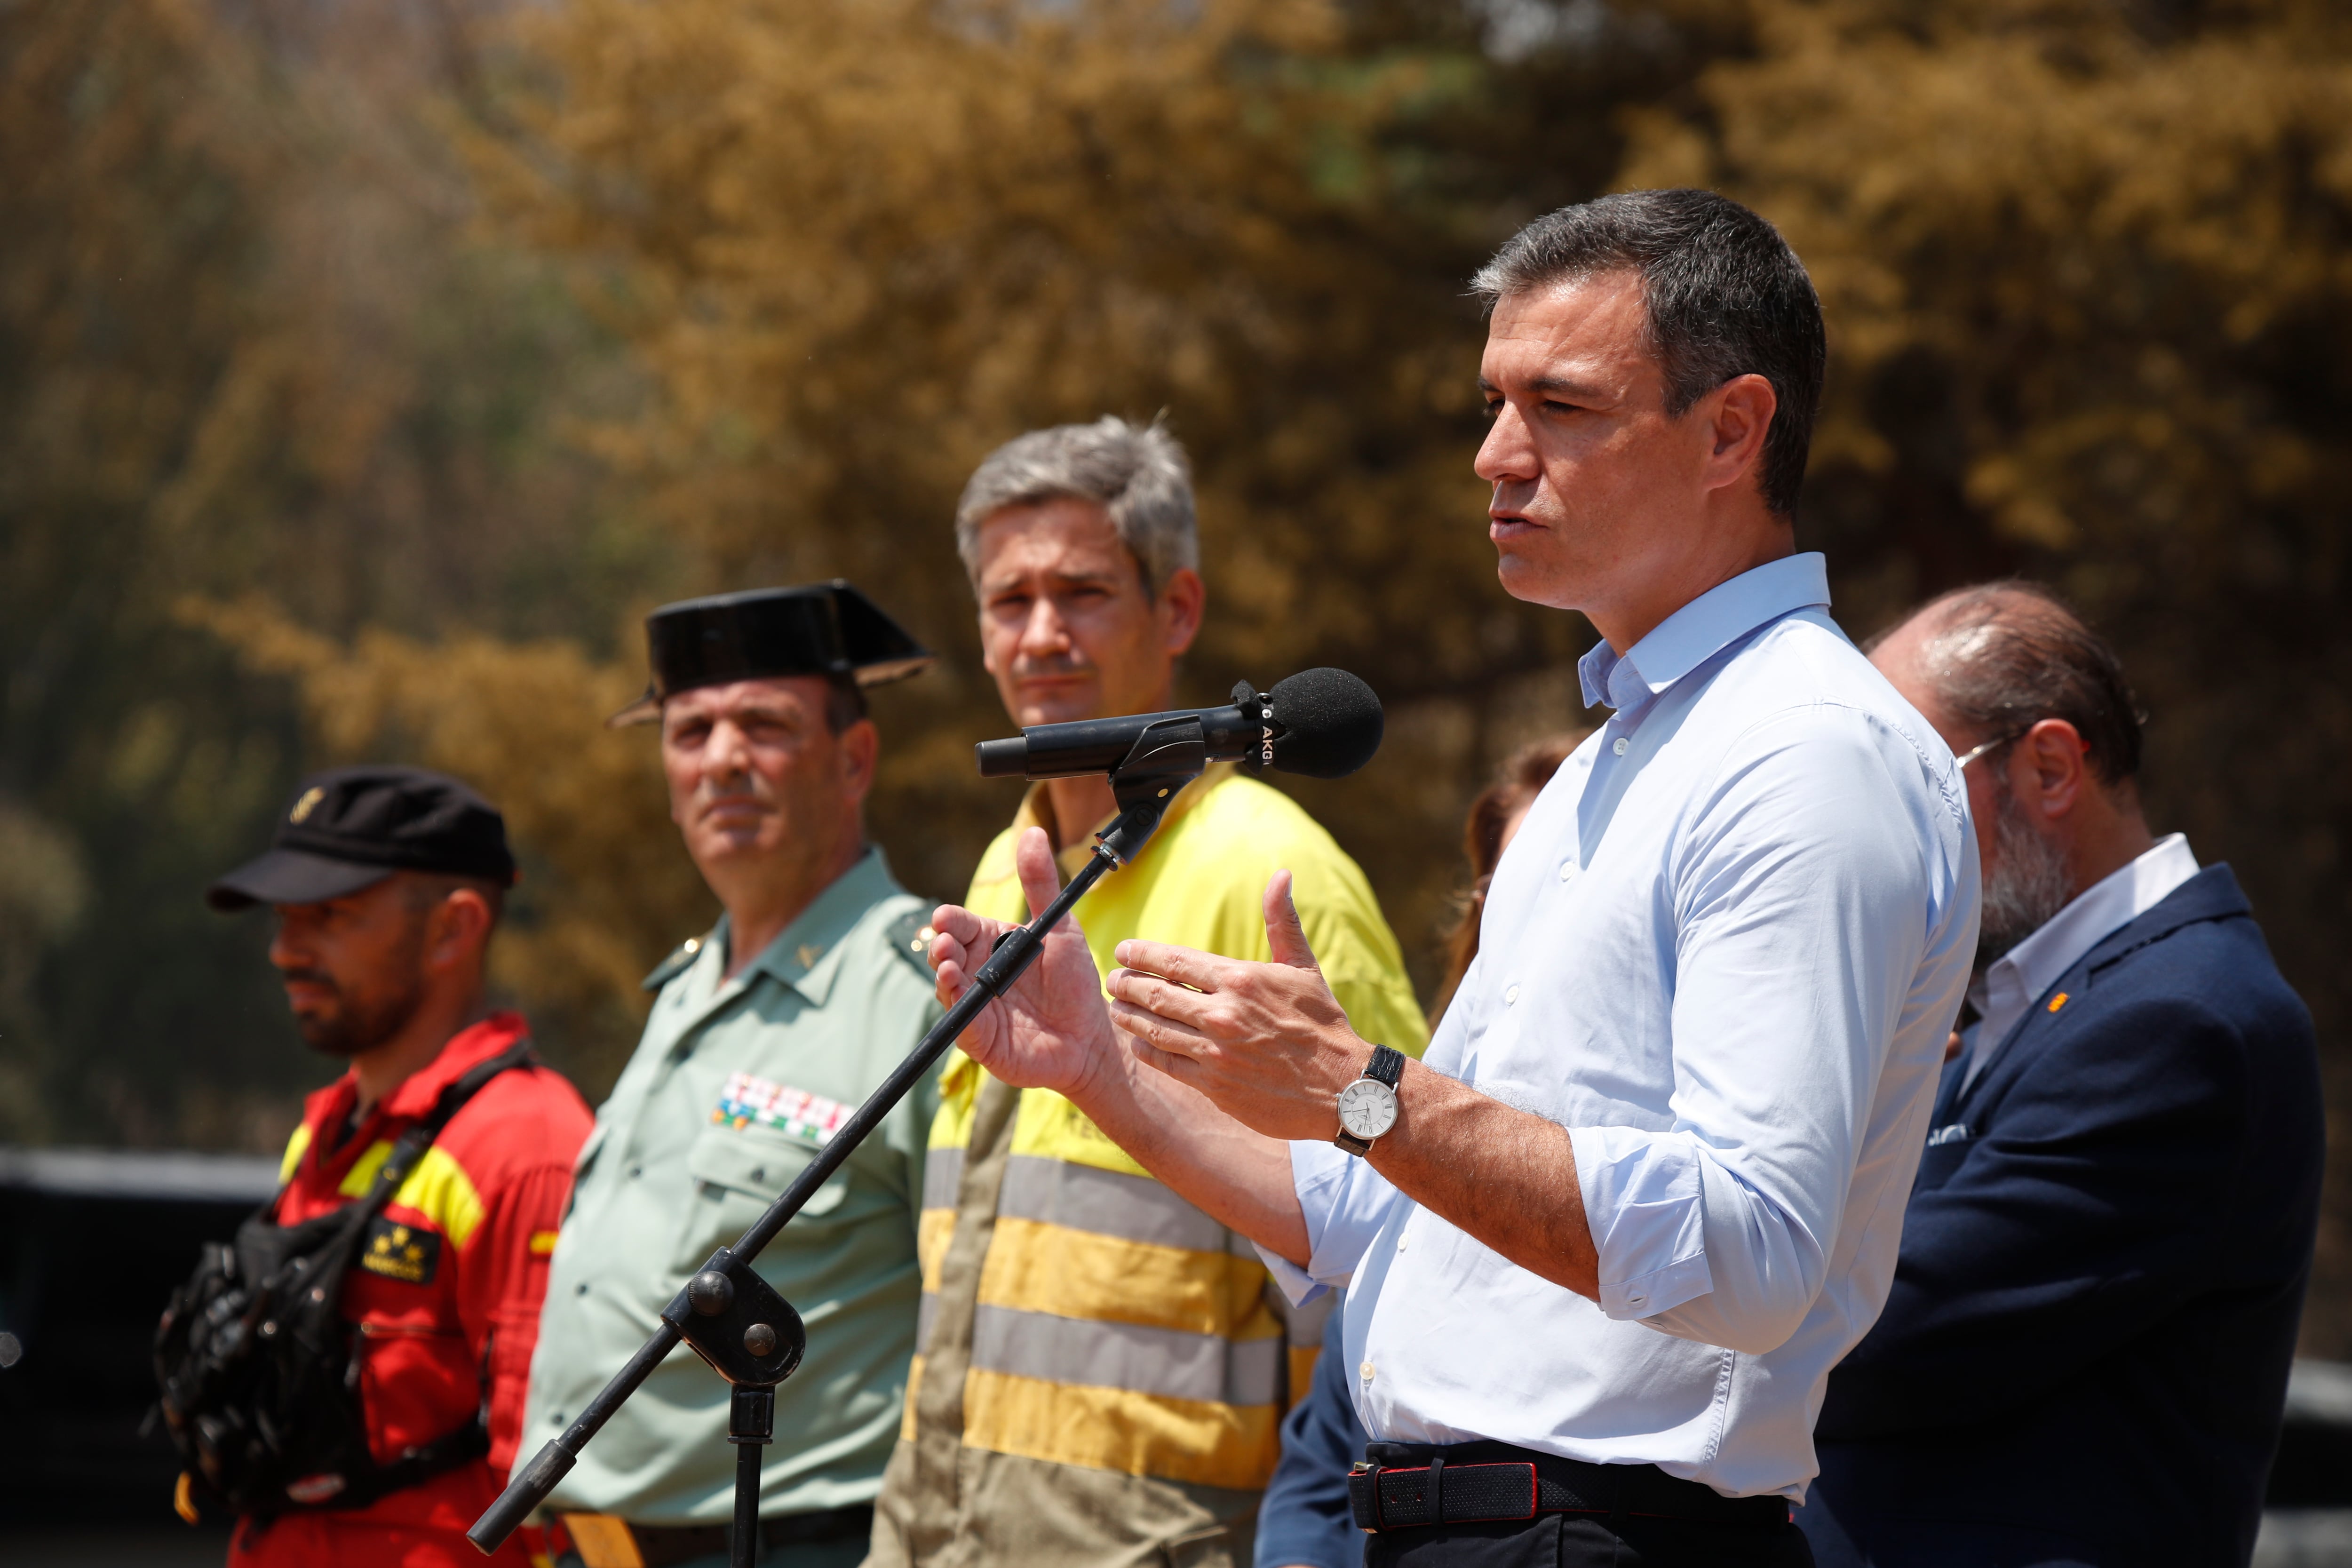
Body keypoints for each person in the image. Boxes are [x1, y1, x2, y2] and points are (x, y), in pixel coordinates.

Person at [918, 190, 1981, 1568]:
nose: (1495, 455)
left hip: (1604, 1533)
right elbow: (1373, 1215)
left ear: (1733, 430)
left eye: (1563, 406)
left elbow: (1752, 1247)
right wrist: (1104, 1072)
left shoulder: (1805, 756)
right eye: (1492, 402)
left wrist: (1365, 1086)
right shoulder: (1616, 762)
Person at [865, 416, 1430, 1568]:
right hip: (944, 1530)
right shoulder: (1004, 866)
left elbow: (1410, 1240)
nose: (1040, 635)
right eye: (1007, 601)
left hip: (1176, 1540)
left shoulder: (1275, 869)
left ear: (1177, 612)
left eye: (1081, 593)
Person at [1798, 583, 2322, 1568]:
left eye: (1901, 786)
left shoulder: (2179, 1018)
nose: (1870, 838)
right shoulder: (2021, 1001)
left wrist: (1675, 1248)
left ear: (2047, 766)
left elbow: (1885, 1331)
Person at [524, 583, 945, 1568]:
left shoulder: (925, 990)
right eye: (690, 730)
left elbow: (972, 1315)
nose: (722, 758)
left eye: (764, 724)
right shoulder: (684, 987)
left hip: (793, 1542)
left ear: (855, 759)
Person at [201, 765, 594, 1568]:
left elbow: (550, 1490)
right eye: (283, 918)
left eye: (330, 916)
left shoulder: (528, 1143)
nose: (284, 950)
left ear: (454, 929)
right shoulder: (328, 1127)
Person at [1256, 735, 1578, 1568]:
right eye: (1506, 893)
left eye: (1566, 890)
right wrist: (1099, 1068)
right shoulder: (1415, 1087)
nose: (1531, 924)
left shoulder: (1632, 1159)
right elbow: (1323, 1451)